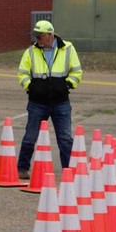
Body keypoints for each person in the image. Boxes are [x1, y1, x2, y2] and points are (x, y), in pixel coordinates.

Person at [17, 19, 82, 176]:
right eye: (36, 36)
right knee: (30, 137)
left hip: (61, 102)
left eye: (39, 36)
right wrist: (31, 87)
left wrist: (67, 85)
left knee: (65, 138)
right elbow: (22, 73)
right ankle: (22, 169)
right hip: (37, 103)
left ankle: (69, 170)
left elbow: (77, 71)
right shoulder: (31, 51)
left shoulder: (68, 49)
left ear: (49, 35)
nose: (37, 39)